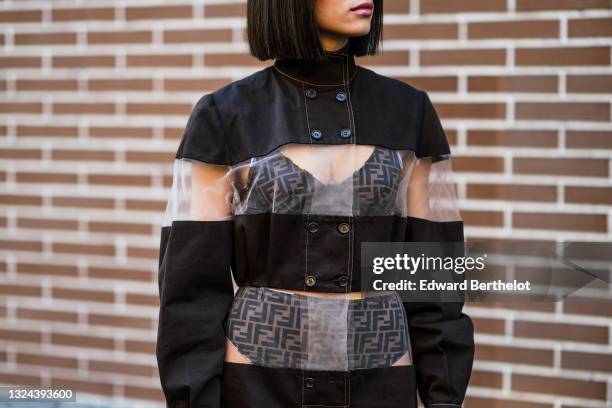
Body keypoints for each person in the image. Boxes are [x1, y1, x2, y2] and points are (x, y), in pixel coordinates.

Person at [155, 0, 475, 407]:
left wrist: (444, 398)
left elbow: (435, 282)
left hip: (381, 383)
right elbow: (190, 289)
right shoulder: (224, 115)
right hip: (258, 383)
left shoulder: (409, 111)